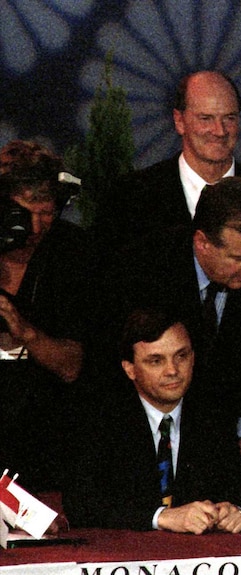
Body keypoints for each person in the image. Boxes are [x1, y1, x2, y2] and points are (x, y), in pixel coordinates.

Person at [94, 70, 241, 355]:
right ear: (180, 121)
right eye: (206, 119)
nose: (219, 130)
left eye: (229, 118)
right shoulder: (131, 197)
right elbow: (113, 303)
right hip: (156, 385)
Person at [98, 177, 241, 479]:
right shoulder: (140, 270)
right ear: (202, 243)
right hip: (144, 440)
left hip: (228, 437)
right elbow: (114, 368)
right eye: (239, 257)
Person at [65, 309, 241, 533]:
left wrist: (237, 511)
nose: (172, 371)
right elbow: (81, 503)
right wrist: (162, 517)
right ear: (130, 369)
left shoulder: (210, 414)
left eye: (181, 356)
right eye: (156, 361)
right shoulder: (100, 418)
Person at [0, 140, 95, 493]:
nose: (37, 227)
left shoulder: (72, 252)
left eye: (48, 213)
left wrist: (23, 329)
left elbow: (72, 366)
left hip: (49, 444)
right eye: (25, 212)